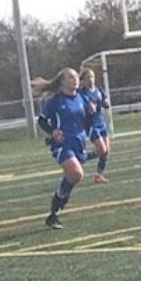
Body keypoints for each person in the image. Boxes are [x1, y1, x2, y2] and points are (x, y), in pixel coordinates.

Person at [35, 68, 89, 229]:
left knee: (72, 179)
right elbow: (42, 120)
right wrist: (53, 132)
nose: (75, 80)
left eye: (76, 77)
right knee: (76, 173)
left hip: (79, 142)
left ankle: (54, 213)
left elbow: (86, 120)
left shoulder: (81, 98)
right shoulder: (56, 101)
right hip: (62, 144)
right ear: (63, 82)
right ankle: (55, 210)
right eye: (71, 77)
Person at [79, 68, 111, 184]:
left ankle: (98, 175)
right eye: (88, 77)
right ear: (83, 80)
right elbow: (82, 108)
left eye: (92, 77)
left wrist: (105, 103)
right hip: (91, 125)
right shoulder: (81, 93)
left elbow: (105, 103)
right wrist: (88, 108)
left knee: (106, 151)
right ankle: (82, 158)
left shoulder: (98, 90)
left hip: (101, 123)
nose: (91, 80)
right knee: (102, 150)